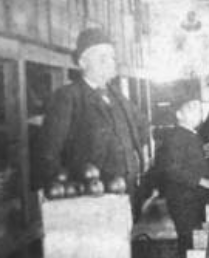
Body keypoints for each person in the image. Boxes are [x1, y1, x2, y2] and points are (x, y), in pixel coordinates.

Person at [40, 27, 148, 206]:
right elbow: (49, 151)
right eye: (102, 58)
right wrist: (64, 191)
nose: (110, 63)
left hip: (127, 191)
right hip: (92, 197)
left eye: (112, 58)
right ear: (83, 62)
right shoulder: (68, 97)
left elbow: (142, 126)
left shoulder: (118, 96)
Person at [155, 99, 209, 258]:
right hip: (183, 199)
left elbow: (196, 164)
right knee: (189, 242)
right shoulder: (176, 136)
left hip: (193, 197)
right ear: (179, 114)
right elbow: (172, 169)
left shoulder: (191, 135)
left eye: (199, 109)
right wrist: (203, 182)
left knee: (195, 241)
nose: (197, 112)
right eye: (191, 108)